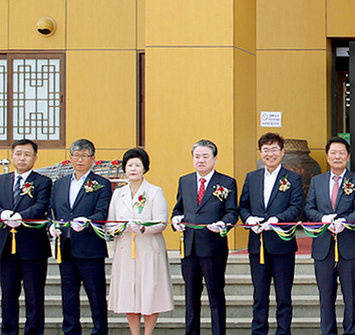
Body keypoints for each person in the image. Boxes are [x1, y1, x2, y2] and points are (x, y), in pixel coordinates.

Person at [171, 139, 238, 335]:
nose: (201, 160)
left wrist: (222, 224)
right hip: (190, 247)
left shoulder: (226, 182)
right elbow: (178, 208)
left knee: (215, 294)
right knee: (191, 296)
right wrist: (176, 219)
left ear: (215, 159)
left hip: (213, 246)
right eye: (197, 156)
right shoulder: (185, 181)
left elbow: (232, 213)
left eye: (205, 156)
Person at [239, 132, 303, 335]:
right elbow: (243, 206)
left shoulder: (292, 178)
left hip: (282, 244)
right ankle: (259, 331)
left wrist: (277, 220)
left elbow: (296, 207)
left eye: (274, 149)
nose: (270, 153)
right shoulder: (252, 177)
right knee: (259, 294)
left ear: (282, 152)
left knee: (283, 295)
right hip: (257, 245)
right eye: (265, 149)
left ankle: (283, 331)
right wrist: (249, 219)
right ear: (260, 153)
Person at [49, 138, 112, 335]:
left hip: (90, 247)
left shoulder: (101, 184)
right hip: (65, 247)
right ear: (70, 158)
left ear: (93, 158)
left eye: (84, 156)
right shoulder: (59, 184)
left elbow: (102, 213)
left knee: (96, 294)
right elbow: (52, 211)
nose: (80, 160)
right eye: (76, 155)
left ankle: (99, 331)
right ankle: (70, 330)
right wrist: (52, 226)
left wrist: (87, 220)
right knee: (68, 295)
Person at [107, 148, 173, 335]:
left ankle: (148, 332)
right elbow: (110, 223)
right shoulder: (118, 193)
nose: (133, 169)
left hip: (148, 248)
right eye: (129, 165)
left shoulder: (154, 191)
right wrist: (117, 229)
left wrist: (143, 227)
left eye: (137, 165)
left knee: (150, 292)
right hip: (126, 249)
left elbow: (161, 222)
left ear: (145, 168)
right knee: (129, 293)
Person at [304, 137, 355, 335]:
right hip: (323, 247)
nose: (337, 156)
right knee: (326, 296)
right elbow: (309, 208)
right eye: (333, 152)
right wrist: (322, 218)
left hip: (349, 246)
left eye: (341, 153)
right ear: (327, 156)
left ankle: (351, 331)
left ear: (348, 156)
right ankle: (328, 331)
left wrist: (344, 222)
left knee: (351, 295)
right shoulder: (317, 181)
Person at [0, 139, 52, 335]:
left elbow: (41, 206)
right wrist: (3, 214)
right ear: (11, 156)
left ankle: (34, 332)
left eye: (27, 154)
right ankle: (8, 332)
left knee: (34, 297)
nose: (22, 158)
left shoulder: (43, 182)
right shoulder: (1, 181)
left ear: (35, 158)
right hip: (5, 247)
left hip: (33, 247)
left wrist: (21, 216)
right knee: (8, 296)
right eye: (18, 153)